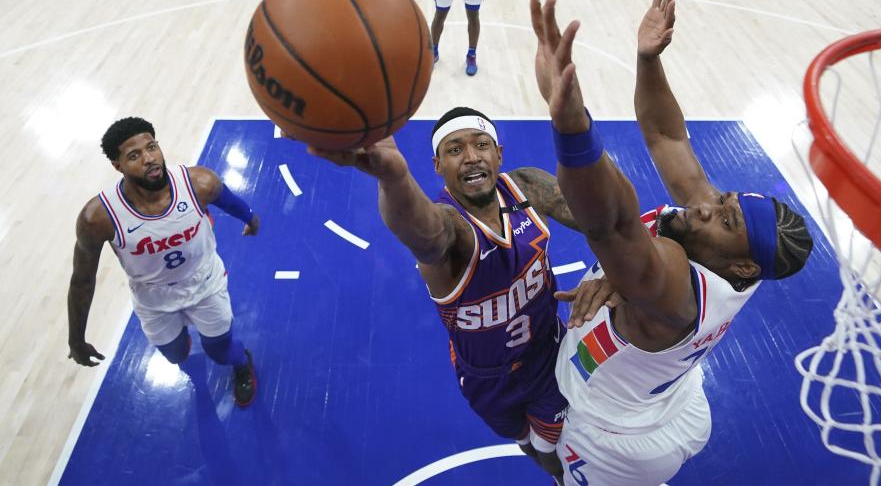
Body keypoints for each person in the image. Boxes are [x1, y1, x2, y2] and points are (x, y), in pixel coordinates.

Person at [529, 0, 813, 485]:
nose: (706, 208)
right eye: (724, 202)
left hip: (615, 440)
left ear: (744, 266)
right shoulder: (735, 251)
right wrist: (647, 60)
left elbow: (611, 223)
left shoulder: (674, 289)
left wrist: (572, 126)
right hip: (678, 402)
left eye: (726, 220)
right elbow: (667, 136)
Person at [305, 110, 589, 483]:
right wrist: (394, 178)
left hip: (549, 356)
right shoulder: (450, 227)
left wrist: (615, 273)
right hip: (485, 377)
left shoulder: (530, 190)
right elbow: (421, 232)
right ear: (438, 165)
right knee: (524, 439)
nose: (471, 156)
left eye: (481, 144)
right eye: (456, 149)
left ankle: (562, 478)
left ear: (499, 154)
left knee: (554, 446)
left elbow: (606, 220)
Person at [67, 117, 258, 406]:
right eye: (134, 156)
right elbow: (82, 281)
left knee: (220, 352)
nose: (149, 159)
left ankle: (242, 363)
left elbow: (232, 202)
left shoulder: (199, 183)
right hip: (153, 298)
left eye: (151, 147)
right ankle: (184, 341)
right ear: (117, 165)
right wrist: (76, 339)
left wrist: (251, 220)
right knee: (176, 355)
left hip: (204, 285)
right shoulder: (98, 218)